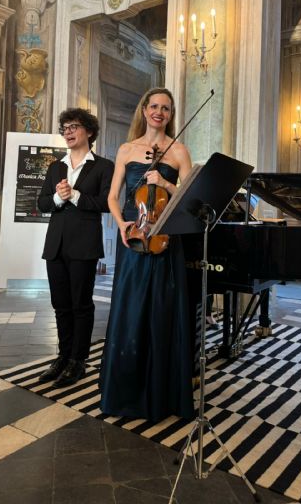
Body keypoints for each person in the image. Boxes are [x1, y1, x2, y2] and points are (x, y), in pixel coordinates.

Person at [100, 87, 195, 422]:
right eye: (154, 106)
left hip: (166, 241)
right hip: (134, 238)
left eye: (166, 108)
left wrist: (166, 184)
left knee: (161, 312)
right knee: (131, 311)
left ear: (171, 114)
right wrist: (122, 224)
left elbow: (189, 198)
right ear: (144, 110)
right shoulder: (126, 149)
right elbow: (113, 197)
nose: (159, 112)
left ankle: (162, 393)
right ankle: (126, 390)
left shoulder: (179, 150)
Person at [37, 108, 114, 388]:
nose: (68, 132)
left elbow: (107, 203)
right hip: (55, 245)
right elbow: (42, 203)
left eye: (74, 127)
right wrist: (58, 197)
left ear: (89, 132)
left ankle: (78, 361)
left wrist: (77, 195)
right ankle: (62, 356)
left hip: (84, 245)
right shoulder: (56, 167)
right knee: (60, 306)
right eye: (65, 128)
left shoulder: (104, 166)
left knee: (81, 305)